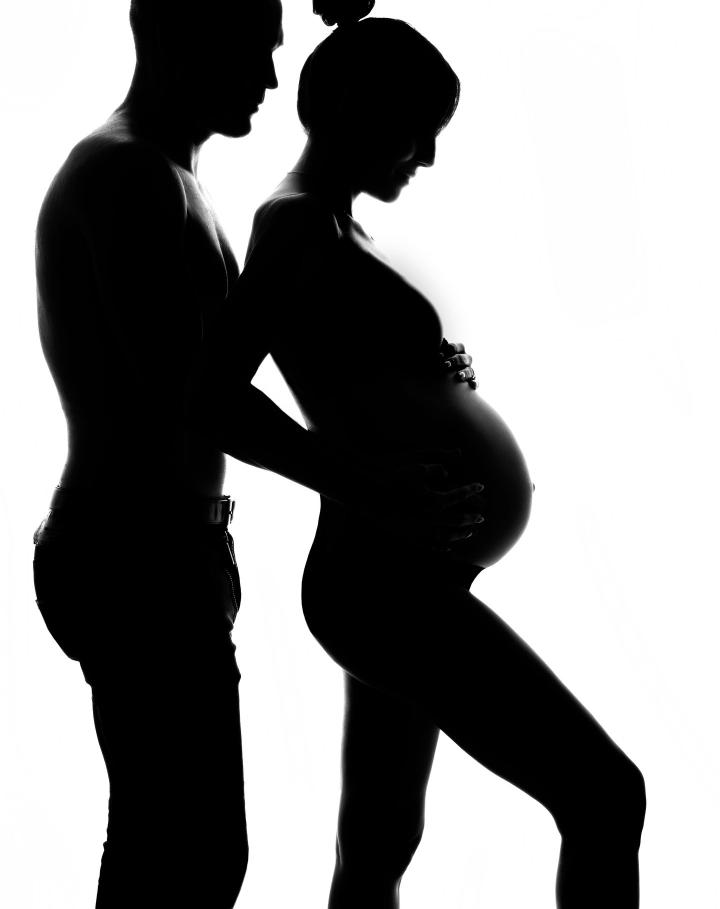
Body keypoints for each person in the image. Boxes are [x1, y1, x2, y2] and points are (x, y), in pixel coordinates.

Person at [195, 5, 647, 908]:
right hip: (382, 583)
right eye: (417, 130)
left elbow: (359, 384)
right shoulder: (296, 224)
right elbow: (213, 396)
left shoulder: (330, 224)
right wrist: (367, 480)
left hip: (399, 575)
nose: (427, 157)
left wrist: (433, 385)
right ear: (355, 105)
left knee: (379, 837)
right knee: (605, 794)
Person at [32, 0, 478, 905]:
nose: (273, 80)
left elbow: (240, 364)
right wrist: (367, 485)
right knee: (185, 854)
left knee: (184, 849)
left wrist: (419, 382)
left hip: (167, 550)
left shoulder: (174, 178)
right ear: (182, 33)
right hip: (134, 552)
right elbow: (194, 397)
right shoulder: (127, 174)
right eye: (253, 51)